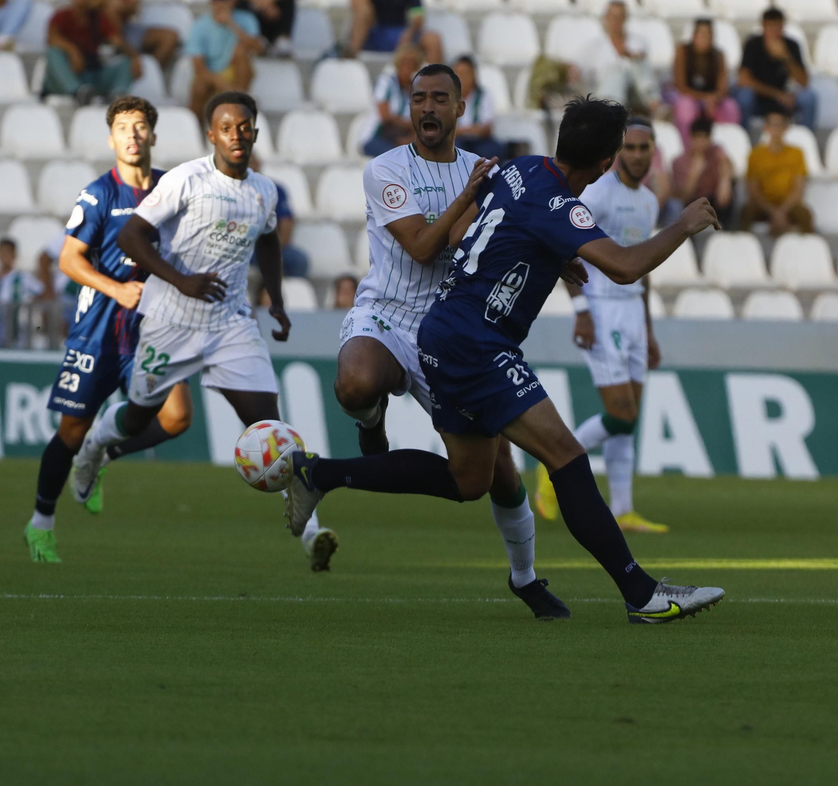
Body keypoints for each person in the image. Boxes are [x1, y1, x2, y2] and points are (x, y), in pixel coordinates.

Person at [282, 97, 726, 623]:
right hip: (476, 344)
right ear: (606, 163)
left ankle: (319, 473)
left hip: (444, 331)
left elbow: (454, 235)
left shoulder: (522, 169)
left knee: (470, 481)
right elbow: (626, 267)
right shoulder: (562, 205)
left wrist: (548, 253)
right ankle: (641, 594)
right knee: (564, 456)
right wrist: (685, 224)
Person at [331, 62, 563, 617]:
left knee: (492, 475)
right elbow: (421, 248)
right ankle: (371, 423)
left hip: (450, 330)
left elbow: (497, 238)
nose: (428, 108)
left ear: (462, 109)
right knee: (356, 383)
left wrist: (559, 257)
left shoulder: (483, 173)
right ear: (408, 108)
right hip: (386, 313)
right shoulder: (385, 168)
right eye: (418, 99)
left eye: (440, 98)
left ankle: (526, 577)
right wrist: (467, 200)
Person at [74, 93, 335, 571]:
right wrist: (183, 281)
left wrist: (275, 300)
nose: (237, 135)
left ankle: (311, 533)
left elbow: (270, 240)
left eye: (245, 126)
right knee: (137, 417)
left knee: (271, 428)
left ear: (255, 131)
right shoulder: (185, 180)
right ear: (211, 134)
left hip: (231, 324)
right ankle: (94, 447)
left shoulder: (265, 191)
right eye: (227, 127)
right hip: (170, 321)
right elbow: (130, 236)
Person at [27, 97, 195, 559]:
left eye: (141, 126)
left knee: (177, 417)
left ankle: (103, 454)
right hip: (101, 326)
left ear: (153, 136)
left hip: (154, 327)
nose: (133, 134)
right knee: (71, 430)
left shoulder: (171, 189)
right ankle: (41, 521)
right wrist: (115, 289)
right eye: (123, 127)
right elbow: (68, 259)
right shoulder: (99, 194)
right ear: (111, 139)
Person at [535, 116, 668, 536]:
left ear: (653, 152)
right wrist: (581, 311)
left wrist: (648, 331)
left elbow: (643, 269)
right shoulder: (598, 194)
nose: (636, 155)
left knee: (630, 418)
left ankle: (624, 509)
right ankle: (551, 466)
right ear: (616, 153)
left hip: (632, 312)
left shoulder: (648, 201)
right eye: (629, 147)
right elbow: (564, 247)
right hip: (602, 308)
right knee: (620, 412)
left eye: (643, 148)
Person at [45, 0, 136, 102]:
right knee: (53, 53)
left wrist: (134, 57)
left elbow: (117, 40)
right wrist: (73, 51)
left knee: (124, 62)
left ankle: (118, 96)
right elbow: (52, 38)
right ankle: (76, 91)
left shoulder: (98, 19)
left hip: (91, 73)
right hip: (68, 72)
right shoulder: (61, 16)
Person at [186, 0, 264, 125]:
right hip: (212, 76)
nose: (220, 2)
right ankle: (195, 129)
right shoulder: (199, 26)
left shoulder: (246, 19)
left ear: (234, 0)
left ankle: (238, 107)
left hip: (236, 73)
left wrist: (231, 24)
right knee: (199, 87)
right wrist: (224, 85)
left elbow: (257, 48)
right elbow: (198, 68)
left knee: (241, 50)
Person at [735, 7, 816, 128]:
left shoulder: (791, 45)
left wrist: (786, 57)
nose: (774, 31)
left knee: (809, 98)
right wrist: (778, 95)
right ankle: (743, 135)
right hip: (759, 99)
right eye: (770, 27)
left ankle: (805, 137)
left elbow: (804, 82)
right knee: (744, 96)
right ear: (763, 27)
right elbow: (744, 80)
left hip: (784, 99)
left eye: (778, 27)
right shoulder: (752, 45)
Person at [741, 109, 813, 233]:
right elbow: (753, 189)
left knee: (805, 215)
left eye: (780, 125)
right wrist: (772, 211)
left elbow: (798, 188)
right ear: (766, 128)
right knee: (746, 212)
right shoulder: (755, 155)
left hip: (789, 205)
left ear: (786, 128)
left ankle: (808, 250)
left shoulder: (797, 153)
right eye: (773, 125)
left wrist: (782, 211)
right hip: (762, 205)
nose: (776, 129)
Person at [671, 18, 741, 141]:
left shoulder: (718, 55)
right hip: (689, 97)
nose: (705, 38)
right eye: (701, 34)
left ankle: (727, 146)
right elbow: (680, 86)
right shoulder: (682, 51)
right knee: (685, 106)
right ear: (694, 35)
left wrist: (714, 98)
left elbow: (723, 88)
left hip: (711, 101)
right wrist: (705, 98)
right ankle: (687, 147)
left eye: (709, 34)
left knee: (730, 107)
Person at [590, 0, 660, 115]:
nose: (616, 21)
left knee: (638, 64)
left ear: (625, 18)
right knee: (616, 71)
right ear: (606, 18)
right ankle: (651, 102)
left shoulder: (639, 41)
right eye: (613, 17)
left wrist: (631, 57)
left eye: (620, 17)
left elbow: (642, 65)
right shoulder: (595, 46)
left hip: (636, 91)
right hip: (605, 91)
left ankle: (652, 101)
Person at [0, 237, 45, 348]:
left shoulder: (23, 277)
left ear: (14, 255)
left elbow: (42, 293)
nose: (5, 257)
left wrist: (30, 301)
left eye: (8, 253)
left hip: (18, 328)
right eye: (2, 253)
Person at [669, 115, 735, 217]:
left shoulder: (715, 151)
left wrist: (724, 181)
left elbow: (727, 163)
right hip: (691, 203)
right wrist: (695, 174)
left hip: (713, 200)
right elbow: (684, 196)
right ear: (691, 137)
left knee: (732, 190)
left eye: (705, 137)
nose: (701, 142)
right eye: (697, 137)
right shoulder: (679, 162)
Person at [453, 55, 502, 159]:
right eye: (458, 74)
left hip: (479, 141)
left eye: (465, 74)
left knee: (495, 149)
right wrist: (471, 130)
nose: (462, 78)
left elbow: (486, 129)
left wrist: (460, 130)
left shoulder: (484, 95)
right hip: (457, 141)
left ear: (474, 75)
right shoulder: (448, 97)